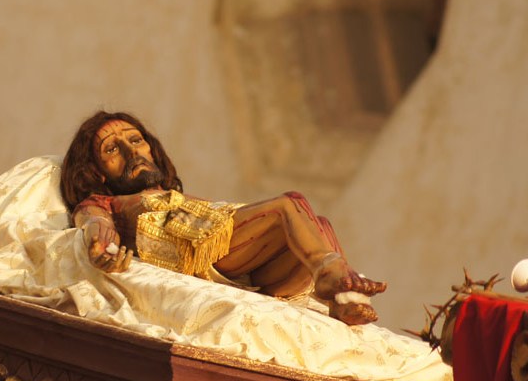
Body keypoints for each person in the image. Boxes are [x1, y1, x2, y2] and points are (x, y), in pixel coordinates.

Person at [59, 111, 386, 325]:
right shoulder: (107, 202)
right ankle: (333, 275)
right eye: (112, 149)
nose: (131, 152)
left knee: (320, 224)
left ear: (151, 148)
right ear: (97, 173)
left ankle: (342, 302)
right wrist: (101, 247)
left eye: (135, 140)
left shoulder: (181, 197)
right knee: (288, 205)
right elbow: (93, 223)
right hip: (205, 257)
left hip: (250, 270)